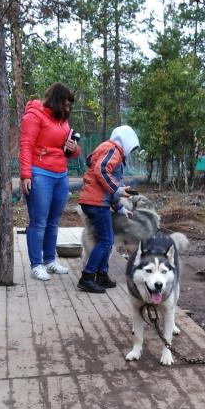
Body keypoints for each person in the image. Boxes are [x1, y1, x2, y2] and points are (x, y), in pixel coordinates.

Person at [19, 82, 80, 281]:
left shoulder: (62, 121)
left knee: (53, 222)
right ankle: (36, 264)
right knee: (39, 222)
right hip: (40, 173)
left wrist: (73, 148)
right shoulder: (34, 115)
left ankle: (50, 261)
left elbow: (71, 152)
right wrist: (26, 174)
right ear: (57, 99)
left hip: (60, 174)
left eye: (70, 104)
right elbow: (26, 145)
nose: (69, 107)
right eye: (66, 102)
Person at [77, 125, 139, 293]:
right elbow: (101, 171)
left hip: (97, 201)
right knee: (105, 241)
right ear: (125, 140)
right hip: (96, 202)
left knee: (108, 240)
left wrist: (120, 208)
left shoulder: (112, 152)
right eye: (131, 147)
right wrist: (118, 190)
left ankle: (102, 275)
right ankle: (87, 277)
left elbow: (108, 188)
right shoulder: (113, 150)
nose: (130, 151)